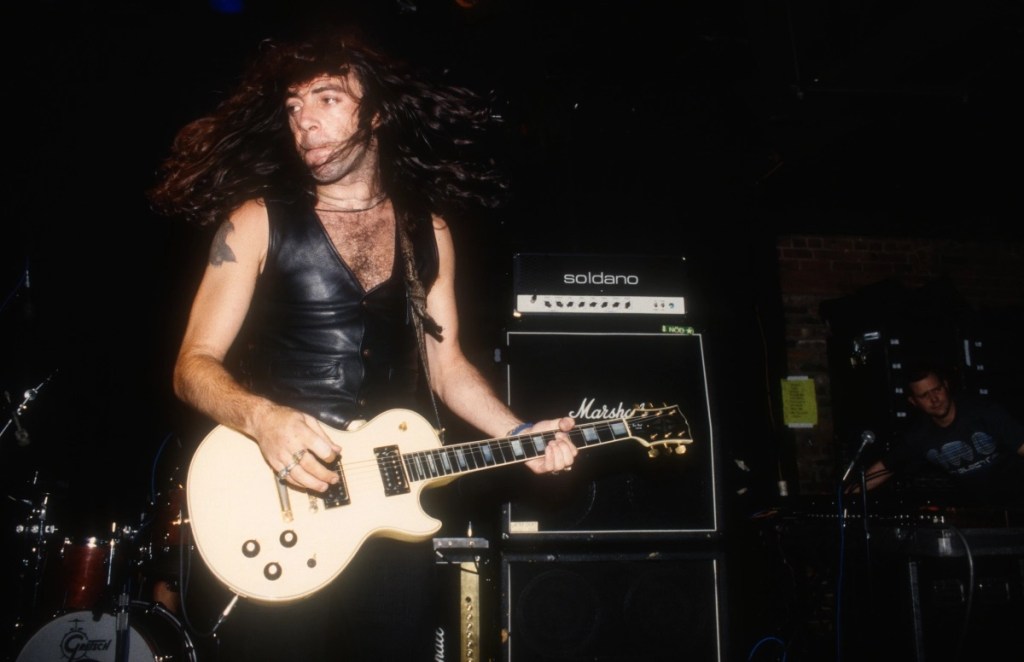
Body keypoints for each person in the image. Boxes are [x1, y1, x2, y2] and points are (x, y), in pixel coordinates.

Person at [147, 25, 577, 661]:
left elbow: (447, 364)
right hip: (280, 493)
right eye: (294, 106)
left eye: (327, 98)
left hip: (389, 505)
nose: (305, 122)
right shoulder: (256, 221)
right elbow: (192, 365)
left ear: (375, 113)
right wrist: (263, 419)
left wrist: (520, 432)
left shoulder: (427, 230)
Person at [860, 364, 1024, 507]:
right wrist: (848, 493)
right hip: (980, 511)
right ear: (913, 401)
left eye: (937, 390)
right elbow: (884, 468)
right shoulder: (918, 436)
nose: (934, 399)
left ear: (946, 386)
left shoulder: (982, 412)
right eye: (924, 395)